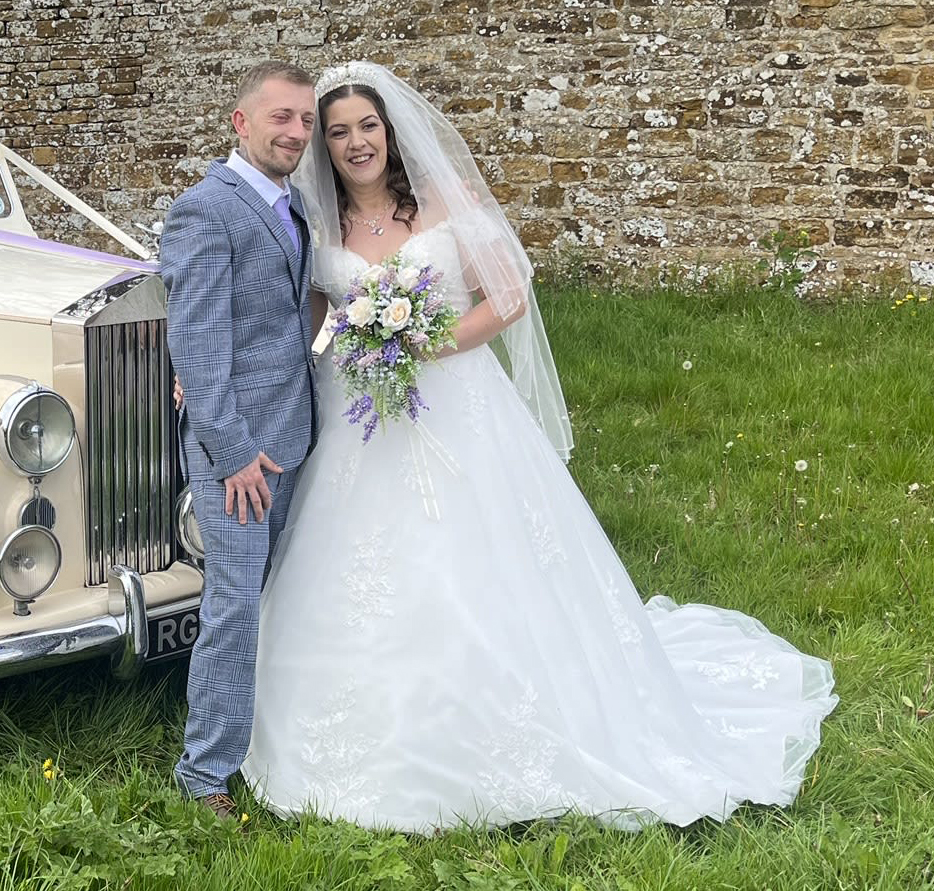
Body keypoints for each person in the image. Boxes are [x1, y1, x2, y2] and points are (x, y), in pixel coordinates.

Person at [240, 60, 838, 833]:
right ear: (323, 145)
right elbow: (313, 318)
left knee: (481, 558)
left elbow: (511, 293)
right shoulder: (318, 225)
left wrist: (429, 339)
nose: (357, 144)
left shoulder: (444, 204)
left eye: (368, 127)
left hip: (457, 401)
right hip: (363, 417)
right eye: (339, 132)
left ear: (391, 132)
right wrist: (323, 358)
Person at [159, 61, 320, 819]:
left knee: (281, 597)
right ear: (241, 122)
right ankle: (204, 773)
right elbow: (195, 343)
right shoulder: (204, 210)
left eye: (305, 121)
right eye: (281, 117)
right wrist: (229, 452)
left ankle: (271, 740)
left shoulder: (292, 207)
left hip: (293, 433)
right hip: (240, 457)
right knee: (234, 608)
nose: (295, 132)